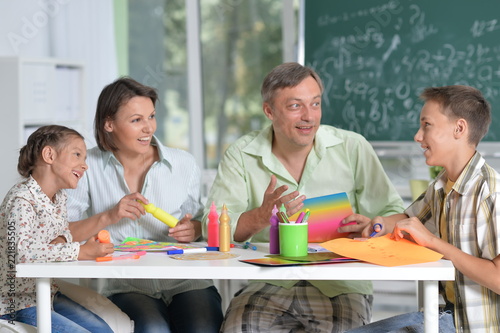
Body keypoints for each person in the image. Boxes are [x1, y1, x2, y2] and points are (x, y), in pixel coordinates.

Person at [203, 62, 405, 332]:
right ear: (269, 111)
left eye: (315, 104)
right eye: (295, 106)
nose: (309, 116)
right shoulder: (241, 153)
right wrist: (261, 216)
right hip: (268, 281)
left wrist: (373, 225)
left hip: (339, 285)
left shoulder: (352, 146)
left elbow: (395, 213)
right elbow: (212, 228)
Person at [66, 77, 223, 333]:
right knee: (152, 329)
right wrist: (110, 215)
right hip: (127, 285)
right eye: (136, 120)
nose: (148, 128)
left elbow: (201, 220)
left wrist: (193, 229)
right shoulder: (87, 165)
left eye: (151, 117)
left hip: (186, 280)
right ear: (109, 123)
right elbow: (63, 232)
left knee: (202, 327)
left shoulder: (183, 163)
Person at [341, 85, 500, 332]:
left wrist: (434, 243)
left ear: (459, 128)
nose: (417, 136)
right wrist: (379, 223)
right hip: (441, 313)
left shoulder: (491, 192)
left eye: (427, 125)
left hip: (470, 325)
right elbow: (408, 217)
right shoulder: (441, 185)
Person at [0, 125, 115, 332]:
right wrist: (79, 251)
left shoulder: (59, 197)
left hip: (46, 292)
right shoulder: (21, 199)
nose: (84, 165)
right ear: (49, 155)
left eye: (85, 158)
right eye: (77, 155)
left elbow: (63, 232)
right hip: (15, 302)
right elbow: (20, 253)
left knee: (104, 330)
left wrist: (63, 240)